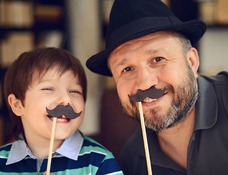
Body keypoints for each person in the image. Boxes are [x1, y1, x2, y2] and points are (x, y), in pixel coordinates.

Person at [86, 0, 228, 175]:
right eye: (127, 69)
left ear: (191, 62)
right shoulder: (133, 159)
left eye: (158, 59)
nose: (145, 83)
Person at [0, 47, 124, 175]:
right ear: (17, 105)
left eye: (74, 91)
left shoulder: (99, 161)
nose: (66, 100)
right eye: (48, 89)